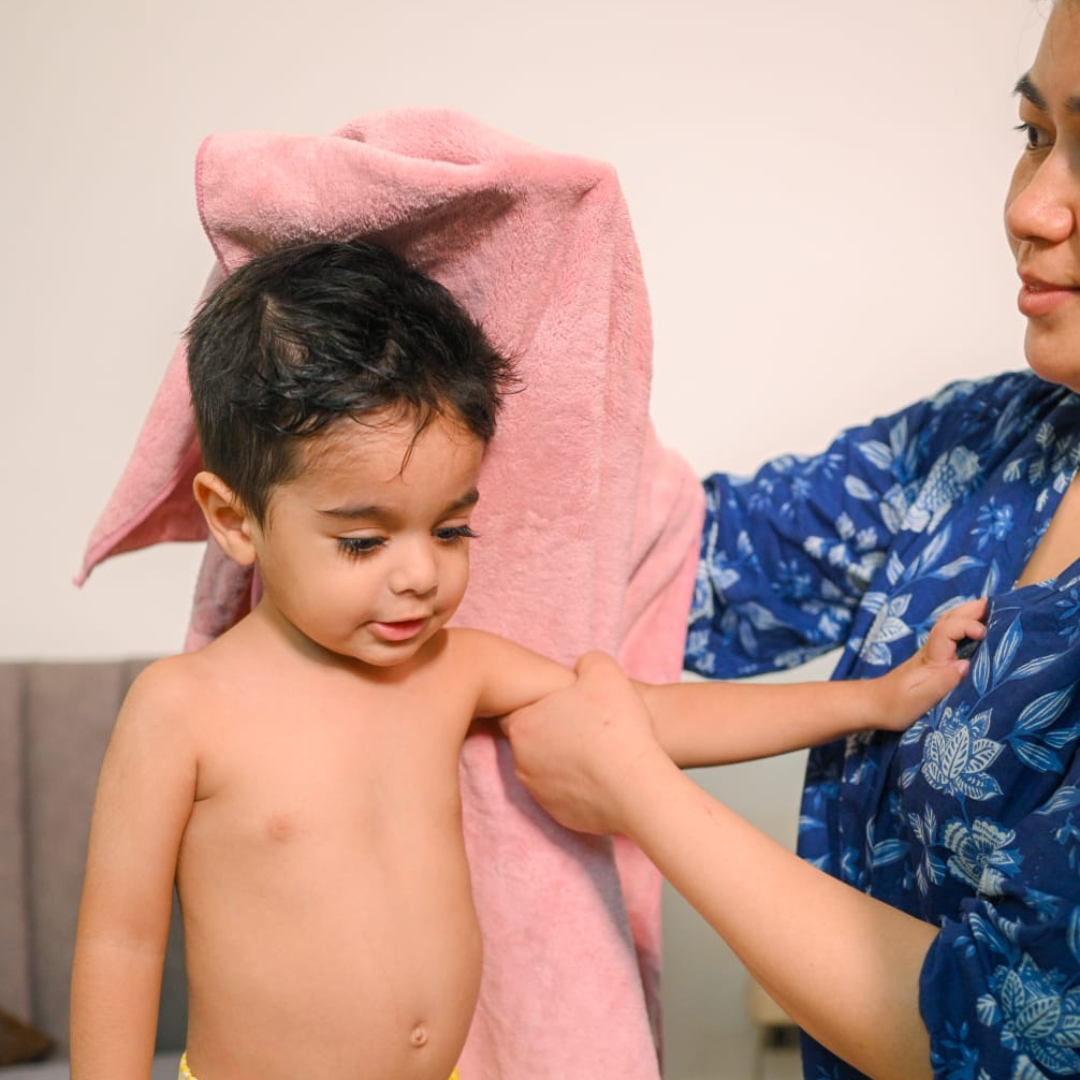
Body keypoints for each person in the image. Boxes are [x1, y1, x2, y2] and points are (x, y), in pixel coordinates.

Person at [70, 239, 985, 1080]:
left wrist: (872, 702)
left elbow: (642, 719)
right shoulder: (183, 708)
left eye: (452, 527)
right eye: (362, 543)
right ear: (235, 520)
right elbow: (120, 943)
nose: (420, 575)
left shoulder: (451, 671)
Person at [501, 4, 1080, 1080]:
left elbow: (1023, 1037)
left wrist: (639, 790)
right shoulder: (979, 443)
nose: (1032, 208)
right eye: (1034, 136)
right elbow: (674, 569)